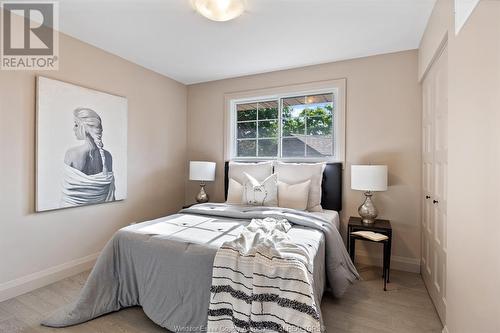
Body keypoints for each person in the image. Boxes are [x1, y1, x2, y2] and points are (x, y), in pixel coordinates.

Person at [61, 108, 115, 207]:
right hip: (101, 213)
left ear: (85, 128)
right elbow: (111, 196)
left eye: (76, 125)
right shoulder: (107, 156)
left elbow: (66, 197)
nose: (74, 128)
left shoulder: (71, 154)